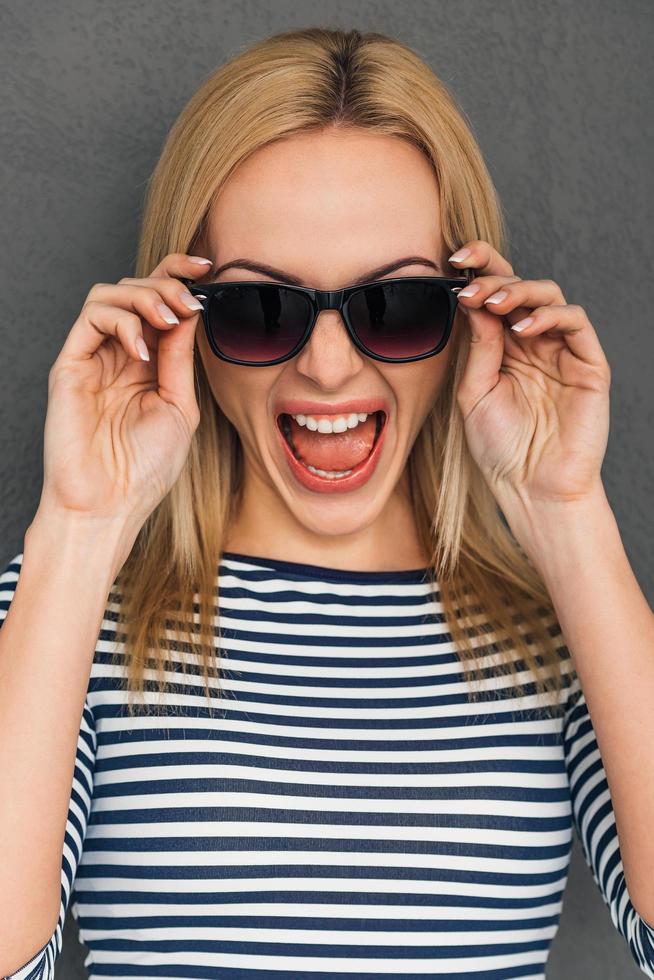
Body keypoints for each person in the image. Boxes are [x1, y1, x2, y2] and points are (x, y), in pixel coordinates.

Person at [0, 25, 653, 980]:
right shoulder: (65, 600)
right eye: (261, 311)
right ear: (180, 322)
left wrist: (564, 509)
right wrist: (81, 527)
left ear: (474, 314)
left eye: (398, 307)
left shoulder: (567, 626)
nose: (329, 366)